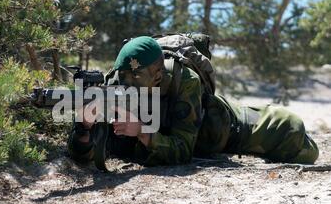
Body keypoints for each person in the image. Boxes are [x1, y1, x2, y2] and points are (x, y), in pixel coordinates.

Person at [68, 36, 319, 166]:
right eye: (123, 81)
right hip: (178, 133)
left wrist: (142, 132)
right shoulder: (117, 84)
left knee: (295, 136)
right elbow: (84, 153)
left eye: (134, 80)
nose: (125, 88)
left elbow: (183, 150)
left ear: (157, 75)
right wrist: (84, 127)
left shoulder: (184, 80)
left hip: (228, 130)